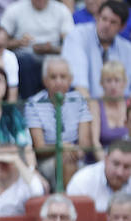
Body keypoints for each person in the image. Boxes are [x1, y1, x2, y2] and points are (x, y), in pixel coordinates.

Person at [25, 56, 93, 189]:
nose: (58, 82)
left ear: (70, 80)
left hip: (76, 157)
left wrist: (75, 151)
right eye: (53, 77)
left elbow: (85, 143)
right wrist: (62, 147)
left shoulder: (78, 100)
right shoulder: (33, 103)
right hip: (48, 161)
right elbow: (39, 148)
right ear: (45, 81)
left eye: (63, 77)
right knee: (64, 161)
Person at [61, 0, 131, 105]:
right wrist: (97, 113)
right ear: (97, 16)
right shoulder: (77, 36)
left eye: (113, 22)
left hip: (116, 110)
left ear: (122, 27)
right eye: (104, 19)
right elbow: (79, 86)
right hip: (82, 107)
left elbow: (125, 90)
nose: (106, 25)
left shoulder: (127, 48)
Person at [0, 0, 73, 100]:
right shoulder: (15, 9)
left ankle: (61, 103)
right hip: (25, 58)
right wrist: (18, 43)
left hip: (53, 58)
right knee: (25, 62)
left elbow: (71, 45)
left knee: (61, 66)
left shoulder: (61, 10)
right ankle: (29, 103)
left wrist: (52, 49)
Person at [66, 139, 131, 212]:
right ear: (106, 159)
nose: (120, 172)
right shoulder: (82, 181)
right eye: (116, 164)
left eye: (126, 167)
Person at [90, 61, 130, 162]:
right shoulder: (95, 104)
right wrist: (107, 165)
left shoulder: (130, 103)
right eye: (108, 81)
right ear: (101, 83)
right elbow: (95, 142)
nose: (113, 85)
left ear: (124, 83)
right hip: (103, 160)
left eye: (117, 80)